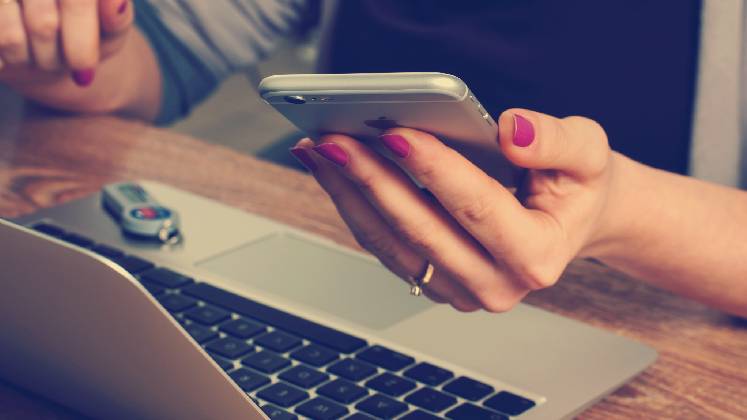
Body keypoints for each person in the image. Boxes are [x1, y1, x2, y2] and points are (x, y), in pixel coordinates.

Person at [1, 0, 745, 317]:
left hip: (658, 329)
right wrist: (68, 45)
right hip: (330, 270)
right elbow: (158, 58)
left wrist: (617, 212)